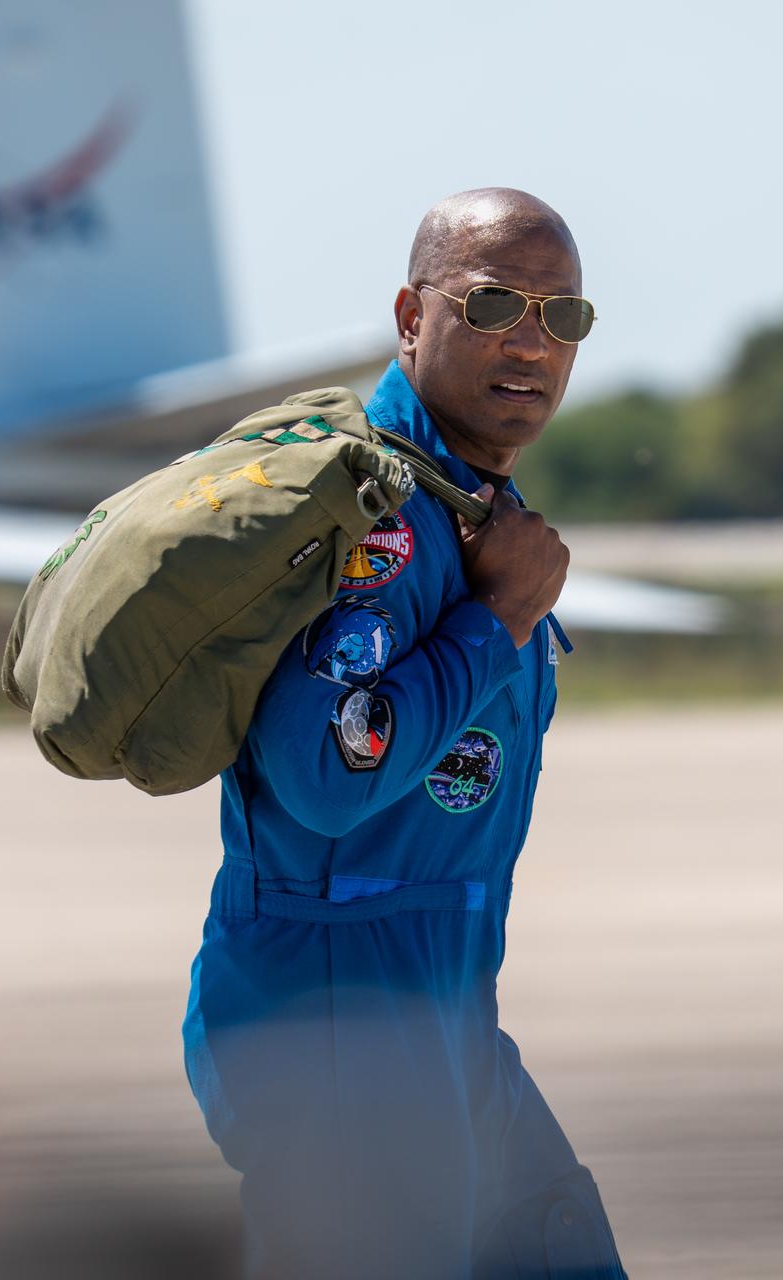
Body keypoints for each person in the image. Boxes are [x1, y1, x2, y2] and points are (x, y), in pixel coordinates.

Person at [181, 188, 627, 1278]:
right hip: (337, 1023)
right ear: (410, 315)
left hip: (441, 1008)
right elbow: (327, 776)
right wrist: (496, 620)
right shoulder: (375, 521)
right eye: (492, 304)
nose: (531, 341)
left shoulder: (465, 507)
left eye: (562, 316)